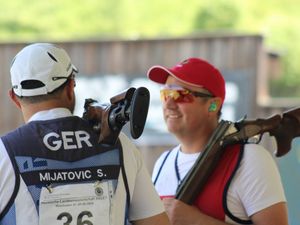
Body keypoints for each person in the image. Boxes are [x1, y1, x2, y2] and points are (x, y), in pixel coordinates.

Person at [0, 43, 170, 225]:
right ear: (70, 87)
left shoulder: (4, 152)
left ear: (14, 98)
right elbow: (156, 222)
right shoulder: (120, 144)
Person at [147, 57, 289, 225]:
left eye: (180, 94)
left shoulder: (250, 159)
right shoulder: (163, 163)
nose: (168, 104)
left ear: (213, 105)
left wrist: (197, 221)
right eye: (165, 93)